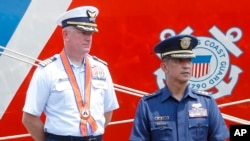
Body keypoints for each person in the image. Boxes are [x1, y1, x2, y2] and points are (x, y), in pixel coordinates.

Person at [22, 6, 119, 141]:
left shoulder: (101, 68)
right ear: (65, 35)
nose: (88, 38)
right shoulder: (48, 70)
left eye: (90, 33)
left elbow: (108, 110)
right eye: (83, 32)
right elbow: (29, 117)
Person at [129, 34, 229, 141]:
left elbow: (218, 138)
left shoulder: (207, 102)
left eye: (189, 60)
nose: (186, 65)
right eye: (179, 60)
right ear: (164, 67)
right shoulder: (148, 105)